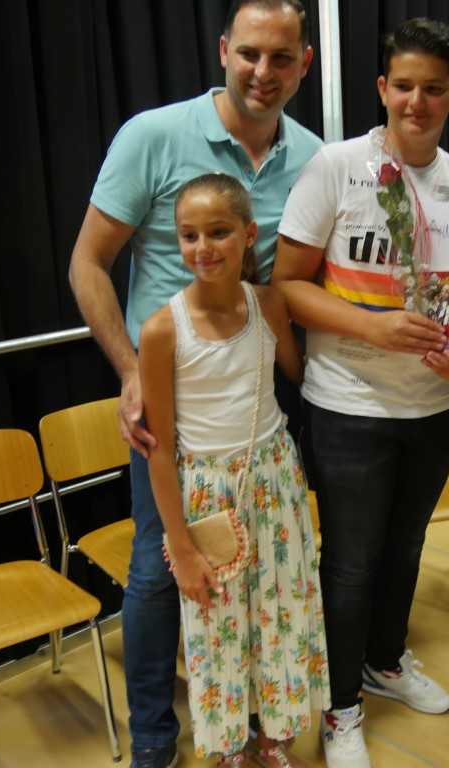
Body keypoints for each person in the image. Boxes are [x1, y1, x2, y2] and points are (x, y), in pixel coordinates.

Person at [68, 3, 321, 766]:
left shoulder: (313, 156)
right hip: (173, 413)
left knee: (267, 576)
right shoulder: (151, 136)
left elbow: (302, 288)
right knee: (160, 567)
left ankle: (262, 720)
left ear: (304, 63)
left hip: (258, 413)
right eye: (249, 53)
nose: (263, 72)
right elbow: (88, 263)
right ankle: (155, 736)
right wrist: (130, 374)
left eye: (281, 58)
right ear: (222, 51)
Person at [271, 18, 449, 768]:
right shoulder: (336, 167)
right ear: (381, 89)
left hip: (431, 408)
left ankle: (384, 662)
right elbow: (287, 285)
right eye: (403, 86)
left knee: (405, 549)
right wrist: (373, 325)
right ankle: (340, 710)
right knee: (352, 564)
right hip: (348, 404)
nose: (416, 102)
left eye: (433, 89)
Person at [140, 173, 328, 768]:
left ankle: (275, 736)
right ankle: (228, 746)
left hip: (274, 478)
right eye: (188, 235)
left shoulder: (269, 305)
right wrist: (181, 547)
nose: (203, 247)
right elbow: (159, 450)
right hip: (206, 493)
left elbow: (301, 377)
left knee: (283, 609)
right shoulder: (162, 329)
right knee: (216, 622)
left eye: (218, 232)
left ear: (249, 235)